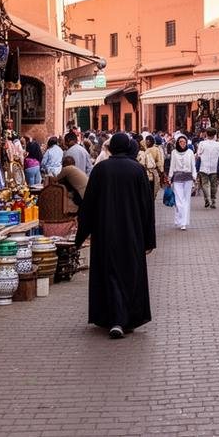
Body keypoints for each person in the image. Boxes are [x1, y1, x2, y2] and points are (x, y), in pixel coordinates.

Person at [75, 133, 156, 339]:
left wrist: (81, 235)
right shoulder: (137, 170)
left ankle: (113, 318)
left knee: (109, 272)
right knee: (129, 273)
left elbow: (89, 205)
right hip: (132, 232)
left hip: (105, 231)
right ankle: (125, 318)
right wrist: (149, 239)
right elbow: (147, 207)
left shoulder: (100, 170)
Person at [168, 135, 196, 230]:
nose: (182, 144)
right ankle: (179, 220)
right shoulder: (174, 152)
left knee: (186, 200)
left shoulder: (190, 152)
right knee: (179, 200)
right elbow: (172, 165)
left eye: (184, 142)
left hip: (188, 177)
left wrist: (194, 176)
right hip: (177, 177)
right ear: (177, 143)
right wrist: (170, 177)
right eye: (180, 142)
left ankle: (183, 222)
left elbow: (193, 165)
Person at [196, 130, 219, 208]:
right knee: (214, 185)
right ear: (214, 135)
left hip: (203, 166)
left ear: (206, 134)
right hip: (214, 167)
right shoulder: (218, 144)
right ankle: (213, 200)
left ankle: (207, 198)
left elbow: (198, 154)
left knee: (205, 184)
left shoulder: (202, 143)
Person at [143, 135, 166, 200]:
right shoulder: (155, 149)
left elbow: (159, 161)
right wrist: (161, 170)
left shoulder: (147, 149)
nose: (147, 142)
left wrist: (161, 170)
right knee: (152, 190)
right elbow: (159, 161)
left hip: (149, 173)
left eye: (148, 141)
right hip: (152, 173)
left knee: (150, 190)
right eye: (146, 141)